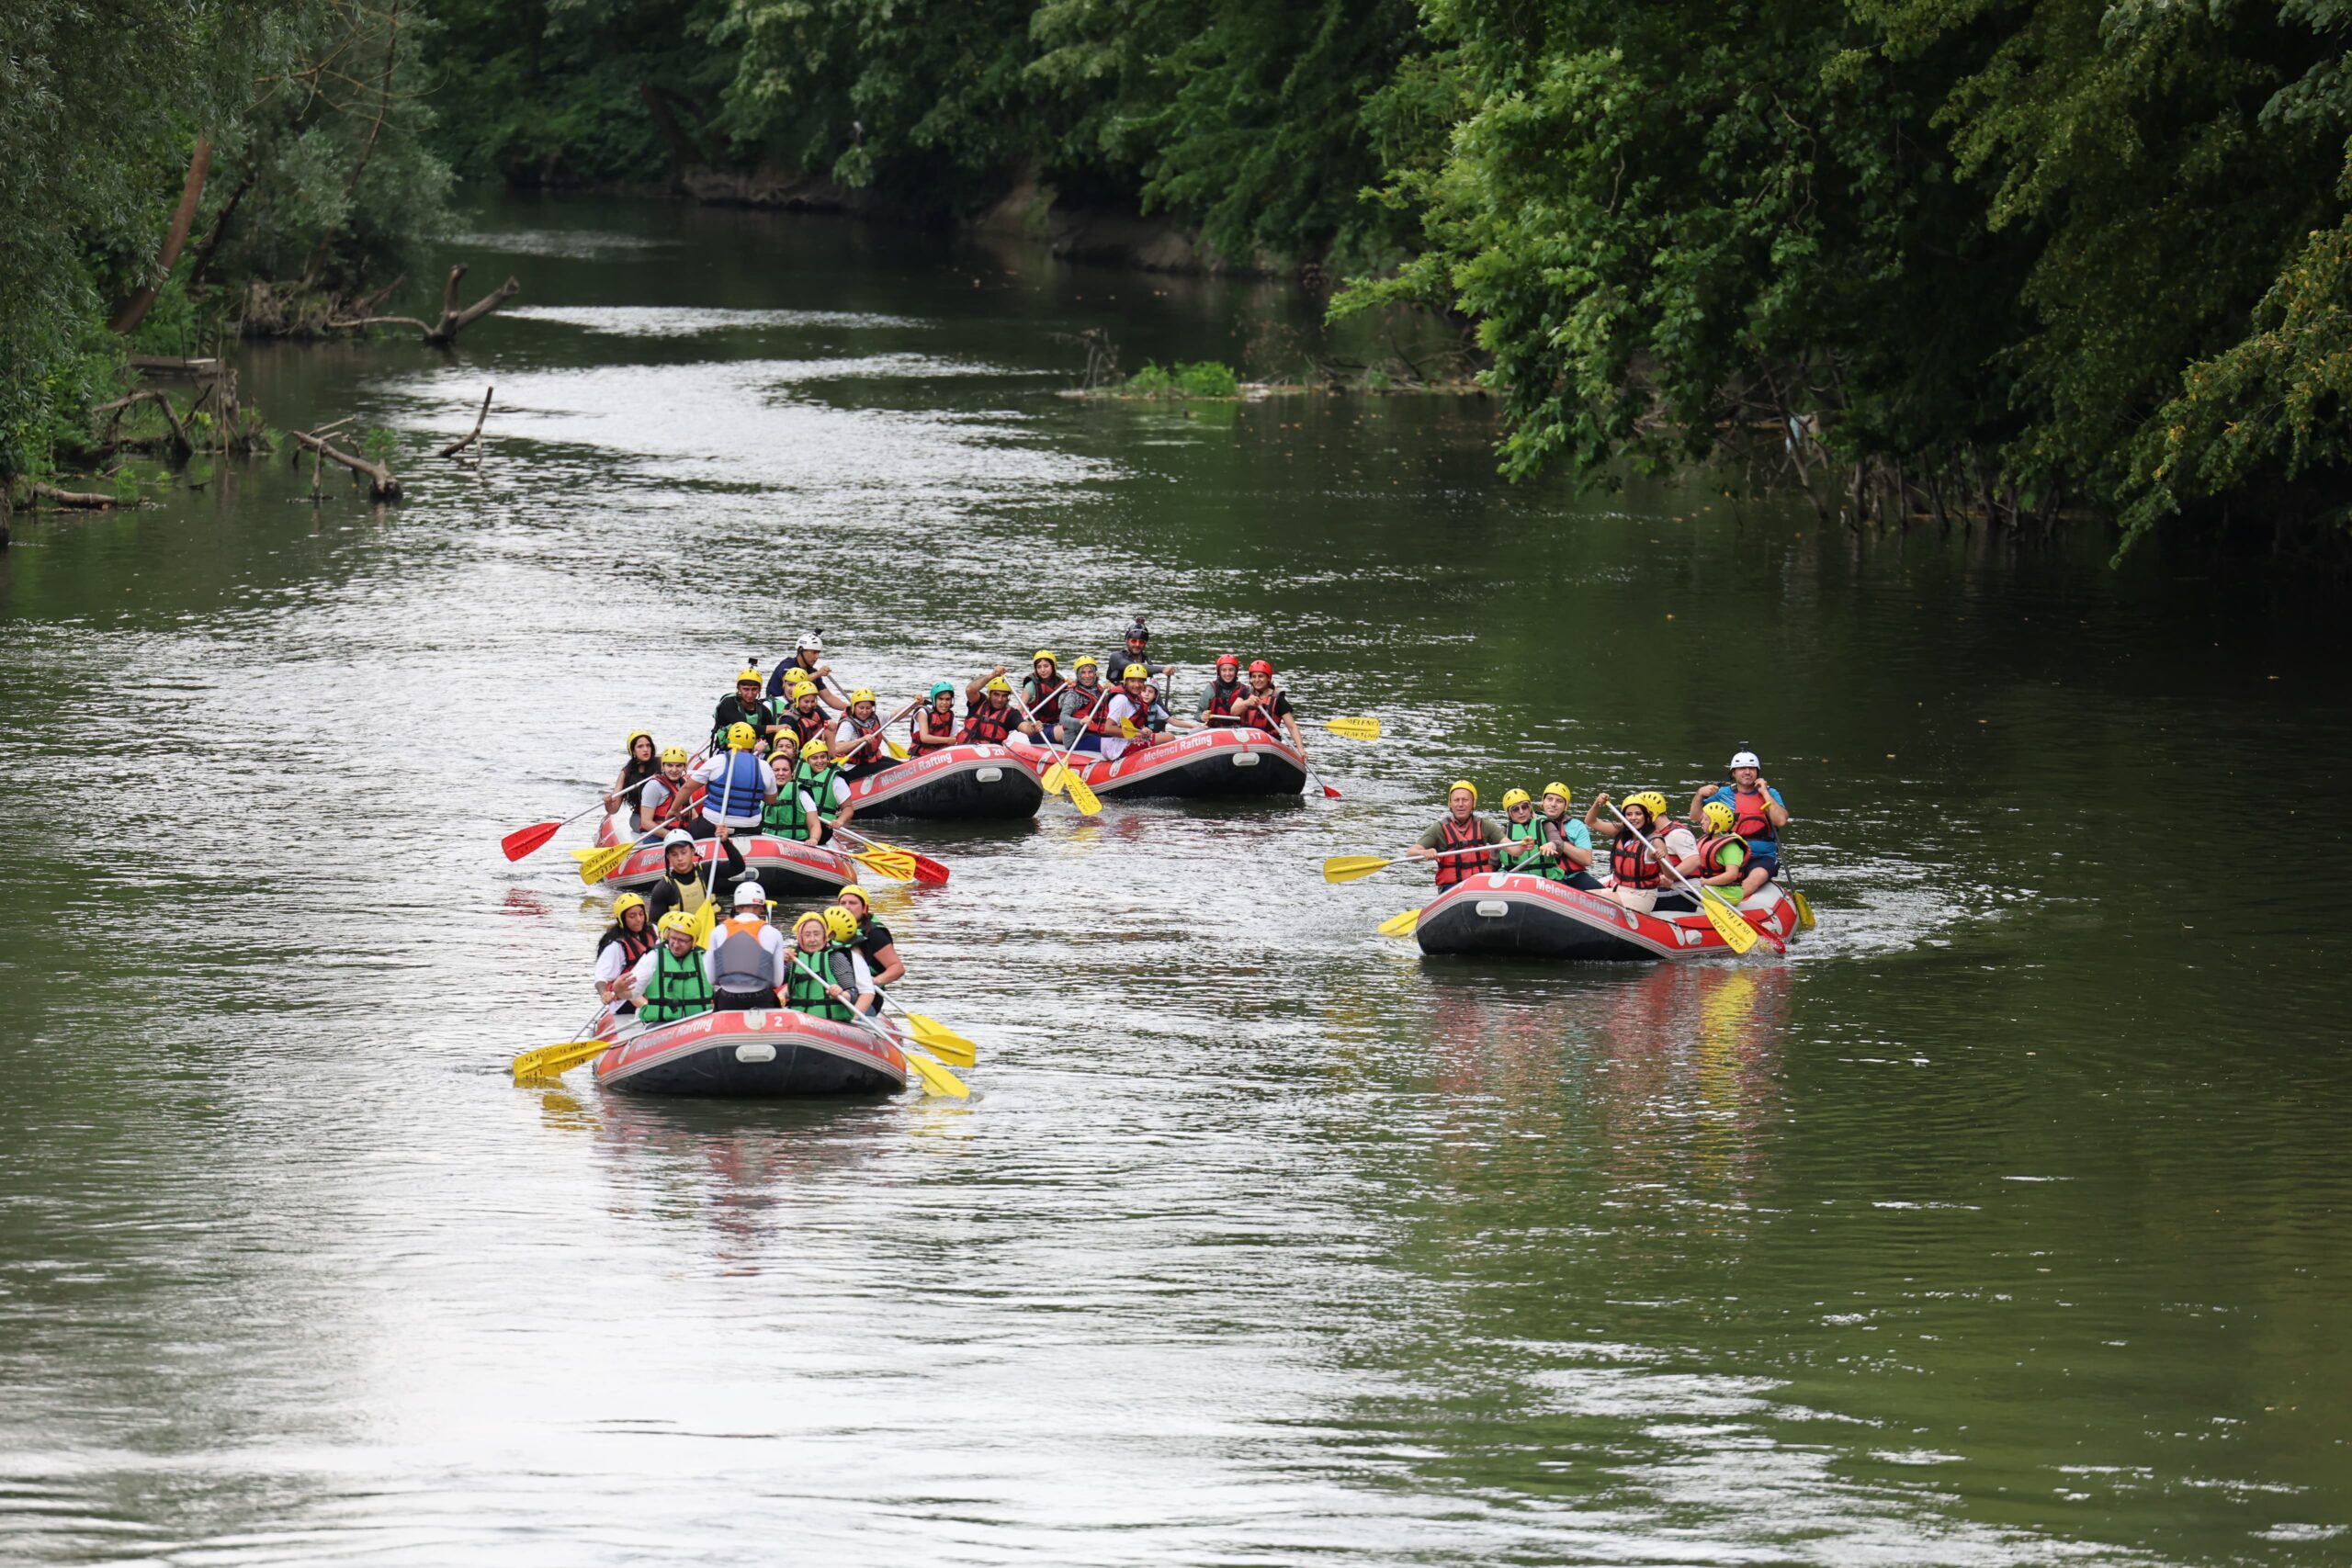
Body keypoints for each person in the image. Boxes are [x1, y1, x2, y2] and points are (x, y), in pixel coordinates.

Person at [1691, 747, 1789, 902]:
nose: (1747, 772)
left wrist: (1764, 792)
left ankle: (1731, 902)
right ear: (1733, 773)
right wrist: (1699, 794)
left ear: (1757, 772)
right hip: (1728, 852)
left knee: (1758, 876)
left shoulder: (1770, 793)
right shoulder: (1722, 794)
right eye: (1742, 768)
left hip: (1761, 857)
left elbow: (1781, 821)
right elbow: (1696, 817)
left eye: (1751, 768)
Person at [1585, 790, 1690, 912]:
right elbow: (1590, 821)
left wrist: (1661, 859)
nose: (1633, 818)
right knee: (1583, 896)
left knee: (1589, 900)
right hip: (1619, 889)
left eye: (1638, 814)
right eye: (1629, 814)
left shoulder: (1654, 841)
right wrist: (1598, 803)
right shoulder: (1621, 831)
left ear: (1646, 816)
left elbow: (1670, 876)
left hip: (1641, 896)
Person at [643, 827, 749, 927]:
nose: (680, 858)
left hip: (709, 933)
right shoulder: (663, 888)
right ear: (668, 857)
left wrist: (725, 842)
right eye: (674, 854)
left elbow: (738, 867)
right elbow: (654, 925)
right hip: (682, 941)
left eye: (683, 852)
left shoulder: (707, 871)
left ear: (692, 851)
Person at [708, 880, 789, 1010]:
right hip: (761, 999)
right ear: (762, 907)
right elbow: (777, 981)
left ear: (736, 907)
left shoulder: (717, 931)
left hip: (727, 1000)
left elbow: (712, 978)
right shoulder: (774, 934)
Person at [624, 911, 716, 1025]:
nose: (676, 945)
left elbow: (724, 991)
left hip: (699, 1024)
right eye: (673, 938)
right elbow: (630, 992)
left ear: (694, 941)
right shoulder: (653, 957)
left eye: (682, 941)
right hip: (661, 1025)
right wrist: (619, 990)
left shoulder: (706, 959)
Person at [1407, 782, 1506, 886]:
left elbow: (1514, 850)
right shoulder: (1438, 829)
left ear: (1473, 803)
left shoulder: (1485, 826)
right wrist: (1424, 852)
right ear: (1450, 804)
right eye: (1456, 800)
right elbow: (1410, 853)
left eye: (1465, 800)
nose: (1460, 804)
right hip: (1452, 889)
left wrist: (1523, 845)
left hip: (1480, 886)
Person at [785, 908, 875, 1023]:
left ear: (825, 937)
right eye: (807, 935)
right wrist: (779, 959)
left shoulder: (835, 957)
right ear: (800, 938)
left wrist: (841, 993)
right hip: (799, 1020)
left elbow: (852, 993)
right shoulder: (794, 959)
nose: (812, 939)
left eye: (817, 934)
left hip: (830, 1022)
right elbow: (774, 981)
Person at [688, 722, 778, 836]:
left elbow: (688, 787)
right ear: (753, 743)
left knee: (692, 828)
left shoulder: (717, 761)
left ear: (729, 740)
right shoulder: (764, 766)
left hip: (713, 824)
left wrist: (674, 809)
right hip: (750, 827)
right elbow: (771, 800)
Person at [834, 884, 903, 1004]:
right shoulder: (831, 930)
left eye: (853, 903)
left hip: (867, 996)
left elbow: (897, 968)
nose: (847, 907)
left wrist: (875, 980)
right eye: (843, 903)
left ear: (864, 908)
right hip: (839, 991)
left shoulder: (874, 934)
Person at [593, 892, 656, 1013]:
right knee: (634, 989)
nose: (639, 920)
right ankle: (651, 1010)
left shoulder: (653, 931)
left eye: (641, 914)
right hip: (625, 999)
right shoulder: (615, 945)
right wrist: (604, 993)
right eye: (632, 916)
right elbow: (601, 978)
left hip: (650, 989)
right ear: (622, 919)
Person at [760, 739, 830, 844]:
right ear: (770, 772)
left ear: (792, 773)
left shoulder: (801, 793)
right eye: (776, 770)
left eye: (785, 770)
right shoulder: (763, 794)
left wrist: (813, 839)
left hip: (797, 843)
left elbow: (814, 824)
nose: (781, 773)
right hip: (769, 841)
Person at [1232, 659, 1307, 757]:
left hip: (1269, 746)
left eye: (1261, 676)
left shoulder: (1278, 699)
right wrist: (1246, 703)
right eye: (1253, 676)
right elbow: (1233, 712)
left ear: (1268, 678)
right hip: (1247, 742)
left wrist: (1300, 749)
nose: (1257, 680)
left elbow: (1291, 726)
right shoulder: (1245, 692)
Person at [1679, 800, 1751, 899]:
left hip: (1728, 893)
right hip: (1710, 888)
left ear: (1716, 825)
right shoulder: (1707, 839)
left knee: (1688, 891)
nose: (1701, 822)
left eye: (1705, 819)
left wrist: (1706, 882)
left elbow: (1732, 875)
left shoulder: (1731, 846)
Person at [1537, 782, 1602, 888]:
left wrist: (1558, 843)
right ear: (1543, 802)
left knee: (1604, 896)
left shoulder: (1576, 826)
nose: (1553, 804)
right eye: (1549, 799)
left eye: (1559, 801)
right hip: (1546, 878)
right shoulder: (1532, 824)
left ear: (1565, 806)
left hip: (1574, 876)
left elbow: (1587, 860)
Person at [792, 735, 857, 837]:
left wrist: (840, 821)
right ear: (807, 760)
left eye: (823, 757)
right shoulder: (795, 773)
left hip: (823, 828)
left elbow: (848, 808)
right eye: (815, 758)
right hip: (797, 826)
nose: (820, 761)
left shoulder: (836, 780)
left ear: (827, 758)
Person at [764, 632, 850, 709]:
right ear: (801, 650)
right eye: (814, 652)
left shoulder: (813, 672)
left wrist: (852, 708)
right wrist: (818, 674)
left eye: (818, 653)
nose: (817, 657)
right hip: (777, 710)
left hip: (799, 710)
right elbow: (795, 682)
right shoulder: (787, 665)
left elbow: (829, 698)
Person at [1100, 664, 1168, 759]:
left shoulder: (1135, 698)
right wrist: (1138, 733)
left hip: (1121, 742)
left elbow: (1130, 725)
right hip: (1113, 748)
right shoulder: (1121, 700)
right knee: (1168, 737)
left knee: (1165, 736)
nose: (1136, 685)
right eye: (1132, 681)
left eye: (1140, 681)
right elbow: (1108, 728)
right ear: (1125, 681)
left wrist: (1142, 730)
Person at [711, 669, 783, 755]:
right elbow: (743, 726)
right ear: (738, 688)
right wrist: (775, 728)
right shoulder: (728, 703)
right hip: (725, 749)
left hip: (753, 751)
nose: (750, 694)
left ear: (759, 689)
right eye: (746, 689)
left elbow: (771, 741)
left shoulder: (764, 711)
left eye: (754, 689)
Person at [631, 745, 696, 837]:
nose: (674, 770)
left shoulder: (684, 784)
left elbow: (693, 814)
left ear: (685, 767)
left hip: (680, 834)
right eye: (669, 765)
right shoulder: (653, 786)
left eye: (678, 766)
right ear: (663, 766)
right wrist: (673, 836)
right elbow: (646, 822)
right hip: (656, 836)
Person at [831, 688, 897, 777]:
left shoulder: (875, 716)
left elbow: (896, 715)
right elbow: (838, 748)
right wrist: (861, 740)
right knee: (894, 770)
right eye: (861, 708)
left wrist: (914, 705)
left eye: (868, 708)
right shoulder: (847, 724)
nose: (865, 712)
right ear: (854, 707)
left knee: (900, 766)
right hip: (851, 767)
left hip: (870, 760)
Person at [1054, 656, 1113, 750]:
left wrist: (1112, 692)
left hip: (1096, 733)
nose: (1087, 676)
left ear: (1095, 673)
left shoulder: (1100, 690)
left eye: (1090, 672)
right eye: (1083, 672)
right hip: (1076, 738)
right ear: (1078, 674)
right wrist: (1080, 721)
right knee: (1111, 744)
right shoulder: (1072, 695)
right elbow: (1063, 719)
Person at [1105, 618, 1174, 688]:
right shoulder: (1116, 657)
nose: (1137, 645)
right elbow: (1133, 667)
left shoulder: (1146, 660)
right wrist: (1162, 669)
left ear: (1145, 643)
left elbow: (1151, 686)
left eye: (1141, 642)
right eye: (1134, 641)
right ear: (1126, 641)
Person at [605, 731, 660, 816]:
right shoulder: (626, 773)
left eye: (648, 745)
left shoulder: (662, 764)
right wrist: (608, 802)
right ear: (633, 751)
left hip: (663, 813)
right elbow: (613, 809)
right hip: (641, 816)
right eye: (640, 746)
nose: (645, 749)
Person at [1016, 651, 1064, 741]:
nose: (1042, 670)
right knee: (1066, 733)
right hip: (1037, 728)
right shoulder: (1031, 686)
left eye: (1046, 666)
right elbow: (1019, 708)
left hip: (1057, 724)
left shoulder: (1062, 683)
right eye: (1039, 667)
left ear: (1053, 667)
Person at [778, 674, 834, 750]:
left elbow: (830, 723)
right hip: (799, 756)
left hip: (817, 752)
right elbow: (785, 747)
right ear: (797, 700)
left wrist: (831, 724)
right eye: (806, 701)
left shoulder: (815, 710)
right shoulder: (788, 719)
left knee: (830, 729)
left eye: (813, 701)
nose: (809, 705)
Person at [960, 675, 1019, 744]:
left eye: (1004, 695)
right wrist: (993, 674)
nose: (1000, 699)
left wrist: (1032, 728)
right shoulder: (979, 702)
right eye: (996, 694)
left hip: (991, 752)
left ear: (1008, 697)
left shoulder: (1011, 714)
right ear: (990, 694)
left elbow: (1024, 727)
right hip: (965, 748)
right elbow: (970, 690)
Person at [909, 682, 961, 753]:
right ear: (934, 699)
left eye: (948, 699)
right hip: (920, 757)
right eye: (941, 699)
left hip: (941, 756)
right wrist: (947, 740)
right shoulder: (923, 713)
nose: (944, 702)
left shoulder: (951, 716)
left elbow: (954, 739)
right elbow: (924, 738)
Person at [1198, 654, 1247, 723]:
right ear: (1219, 672)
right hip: (1214, 729)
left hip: (1239, 729)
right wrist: (1202, 717)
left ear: (1236, 672)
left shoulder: (1245, 690)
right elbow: (1197, 714)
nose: (1227, 673)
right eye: (1224, 670)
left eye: (1231, 670)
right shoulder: (1211, 689)